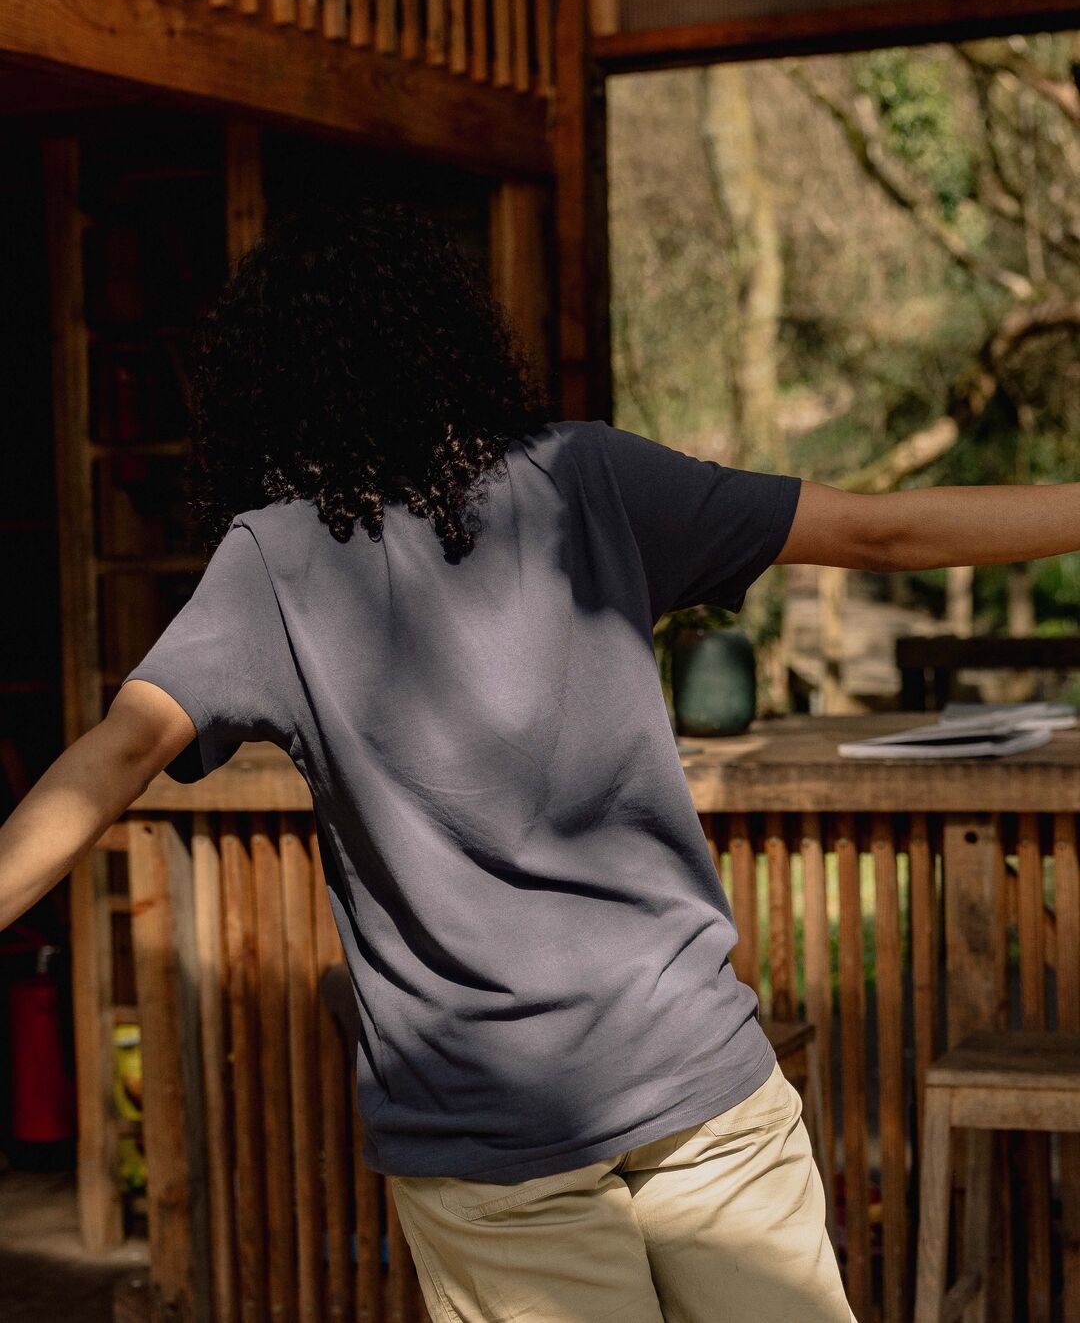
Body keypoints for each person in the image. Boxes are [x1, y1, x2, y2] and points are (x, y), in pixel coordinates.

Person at [2, 198, 1078, 1323]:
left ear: (262, 388)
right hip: (694, 1075)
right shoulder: (591, 479)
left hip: (489, 1140)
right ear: (453, 337)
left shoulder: (271, 563)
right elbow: (880, 531)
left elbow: (119, 751)